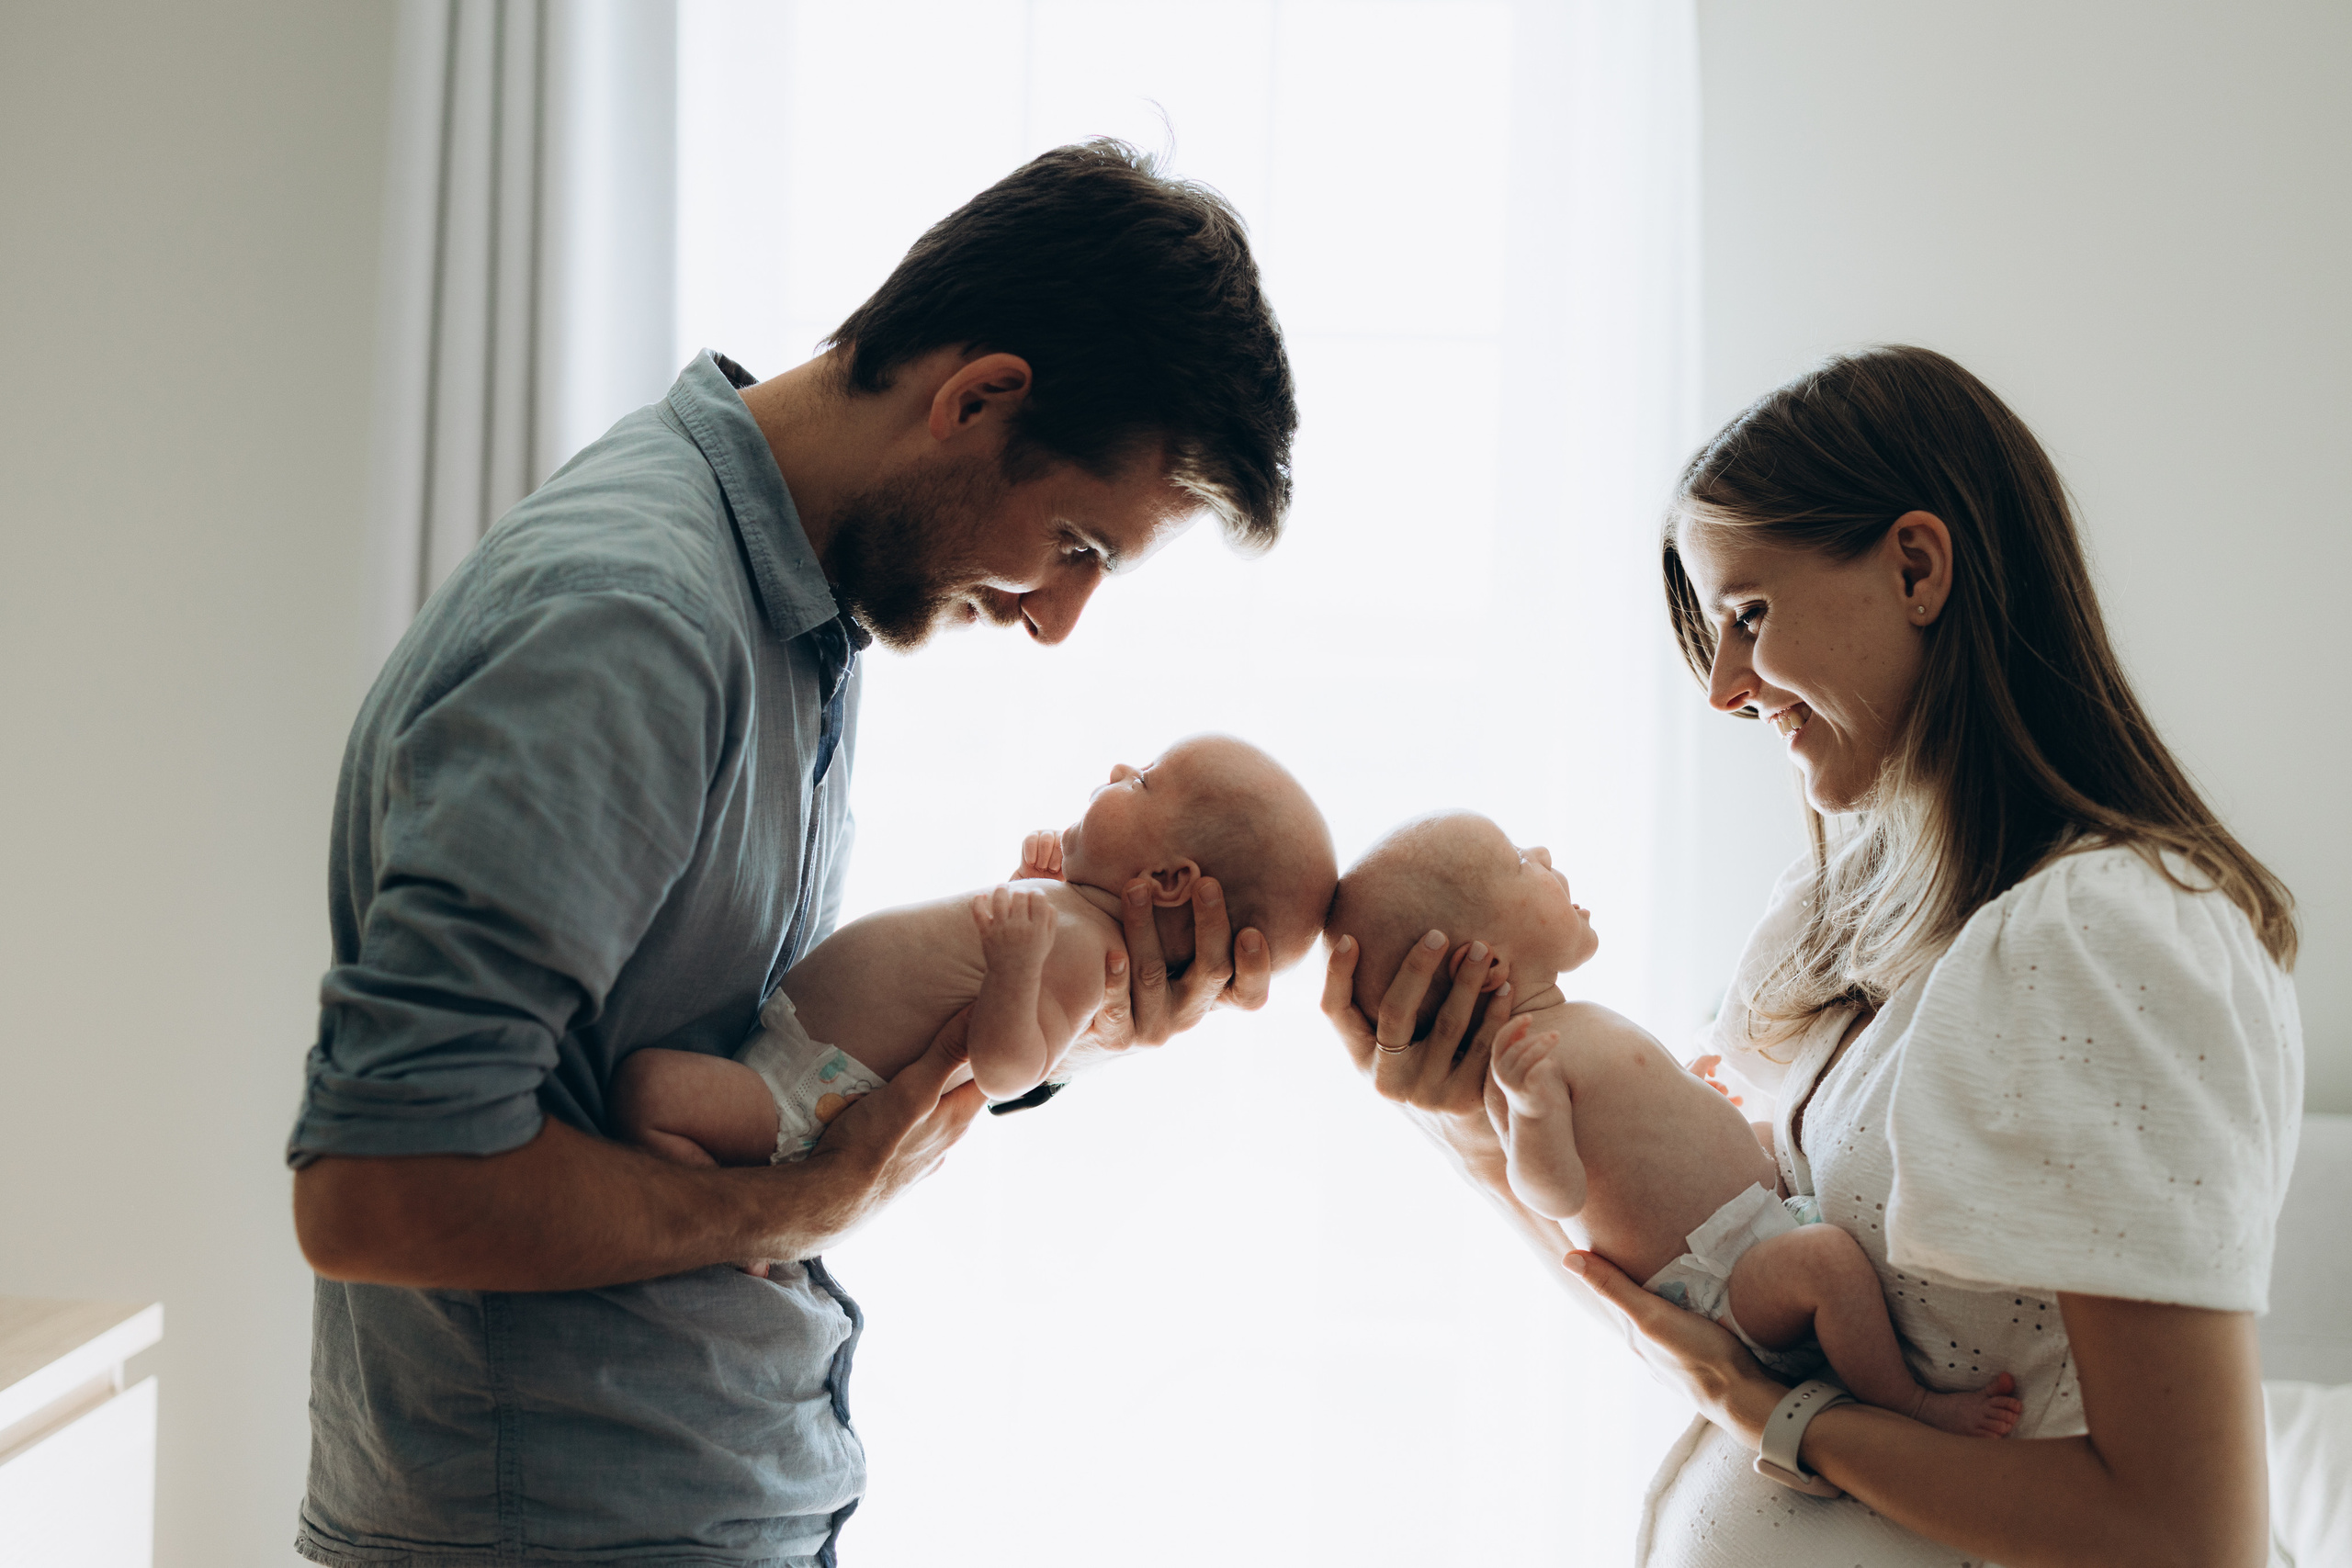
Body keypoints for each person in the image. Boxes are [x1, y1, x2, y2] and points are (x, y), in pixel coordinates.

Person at [286, 141, 1296, 1568]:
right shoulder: (633, 620)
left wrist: (1088, 1019)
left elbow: (750, 1046)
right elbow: (381, 1187)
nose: (1056, 616)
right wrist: (817, 1200)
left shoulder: (791, 607)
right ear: (980, 398)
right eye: (1072, 541)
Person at [1323, 345, 2301, 1566]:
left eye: (1748, 613)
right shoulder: (1857, 907)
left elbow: (2179, 1532)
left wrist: (1784, 1419)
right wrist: (1469, 1117)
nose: (1725, 687)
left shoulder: (2100, 935)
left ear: (1917, 566)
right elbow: (1680, 1286)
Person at [1329, 809, 2024, 1438]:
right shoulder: (1519, 1069)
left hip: (1749, 1225)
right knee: (1828, 1262)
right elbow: (1555, 1195)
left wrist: (1698, 1101)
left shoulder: (1569, 1022)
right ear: (1485, 962)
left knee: (1773, 1142)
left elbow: (1645, 1134)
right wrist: (1533, 1111)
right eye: (1516, 860)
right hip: (1721, 1281)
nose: (1540, 849)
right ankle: (1910, 1403)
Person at [614, 735, 1336, 1168]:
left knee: (644, 1092)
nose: (1119, 769)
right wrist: (1028, 897)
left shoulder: (1092, 956)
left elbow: (1008, 1068)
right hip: (795, 1064)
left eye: (1143, 779)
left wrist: (1020, 965)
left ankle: (734, 1220)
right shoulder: (1076, 922)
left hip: (795, 1096)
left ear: (1170, 881)